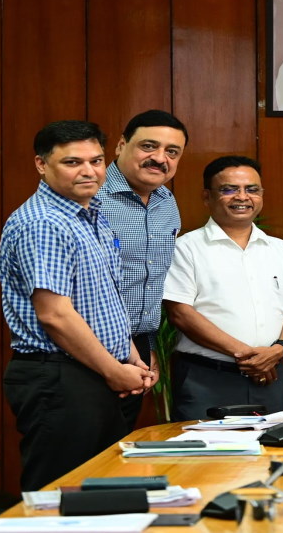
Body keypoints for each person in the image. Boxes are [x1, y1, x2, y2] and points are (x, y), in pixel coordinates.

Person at [0, 120, 152, 490]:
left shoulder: (89, 214)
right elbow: (55, 315)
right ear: (41, 164)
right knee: (60, 498)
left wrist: (129, 356)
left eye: (96, 161)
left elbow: (102, 297)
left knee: (99, 494)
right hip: (60, 375)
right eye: (72, 162)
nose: (89, 171)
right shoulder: (44, 222)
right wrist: (113, 370)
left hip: (93, 372)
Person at [163, 156, 283, 421]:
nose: (242, 197)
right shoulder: (185, 248)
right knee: (204, 448)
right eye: (229, 189)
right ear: (207, 196)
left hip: (270, 376)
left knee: (270, 445)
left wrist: (278, 350)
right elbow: (180, 313)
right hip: (207, 379)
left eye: (252, 189)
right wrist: (250, 357)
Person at [98, 109, 188, 430]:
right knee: (78, 456)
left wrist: (148, 347)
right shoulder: (89, 195)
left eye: (172, 152)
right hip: (86, 348)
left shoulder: (166, 201)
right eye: (149, 146)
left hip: (137, 351)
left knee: (115, 451)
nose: (160, 158)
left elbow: (150, 283)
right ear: (121, 145)